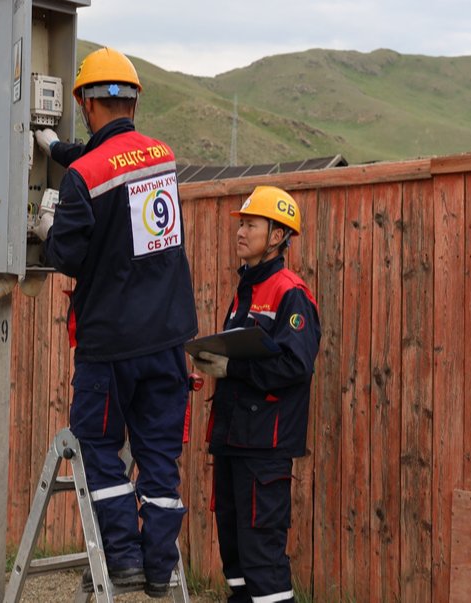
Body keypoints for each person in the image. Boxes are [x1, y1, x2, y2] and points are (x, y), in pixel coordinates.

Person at [30, 47, 198, 598]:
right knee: (158, 458)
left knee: (99, 445)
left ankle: (121, 557)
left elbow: (69, 258)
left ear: (84, 102)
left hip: (109, 344)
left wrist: (50, 224)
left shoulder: (82, 180)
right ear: (132, 100)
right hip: (169, 338)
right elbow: (117, 162)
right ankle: (156, 568)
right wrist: (55, 149)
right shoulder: (163, 156)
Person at [191, 186, 321, 603]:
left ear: (278, 235)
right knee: (236, 562)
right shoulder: (245, 289)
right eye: (241, 223)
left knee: (263, 563)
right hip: (233, 441)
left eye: (251, 224)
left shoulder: (291, 293)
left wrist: (233, 367)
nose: (241, 232)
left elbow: (295, 365)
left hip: (264, 449)